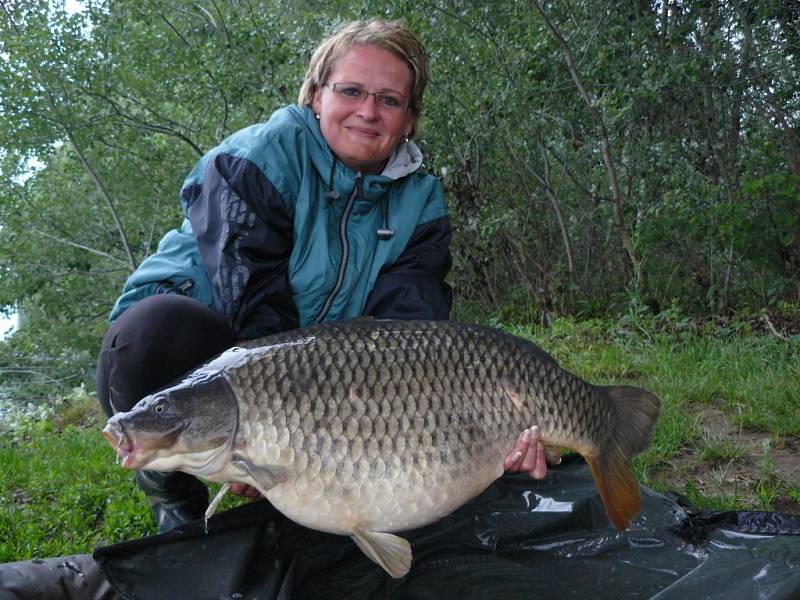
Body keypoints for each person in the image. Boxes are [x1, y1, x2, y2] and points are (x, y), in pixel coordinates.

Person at [96, 19, 549, 533]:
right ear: (315, 94)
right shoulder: (258, 158)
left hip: (321, 365)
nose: (368, 111)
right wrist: (260, 440)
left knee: (417, 388)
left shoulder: (421, 202)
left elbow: (410, 338)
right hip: (214, 339)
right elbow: (255, 313)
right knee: (148, 336)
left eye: (390, 100)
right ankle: (175, 501)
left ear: (409, 120)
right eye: (351, 91)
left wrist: (497, 436)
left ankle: (327, 492)